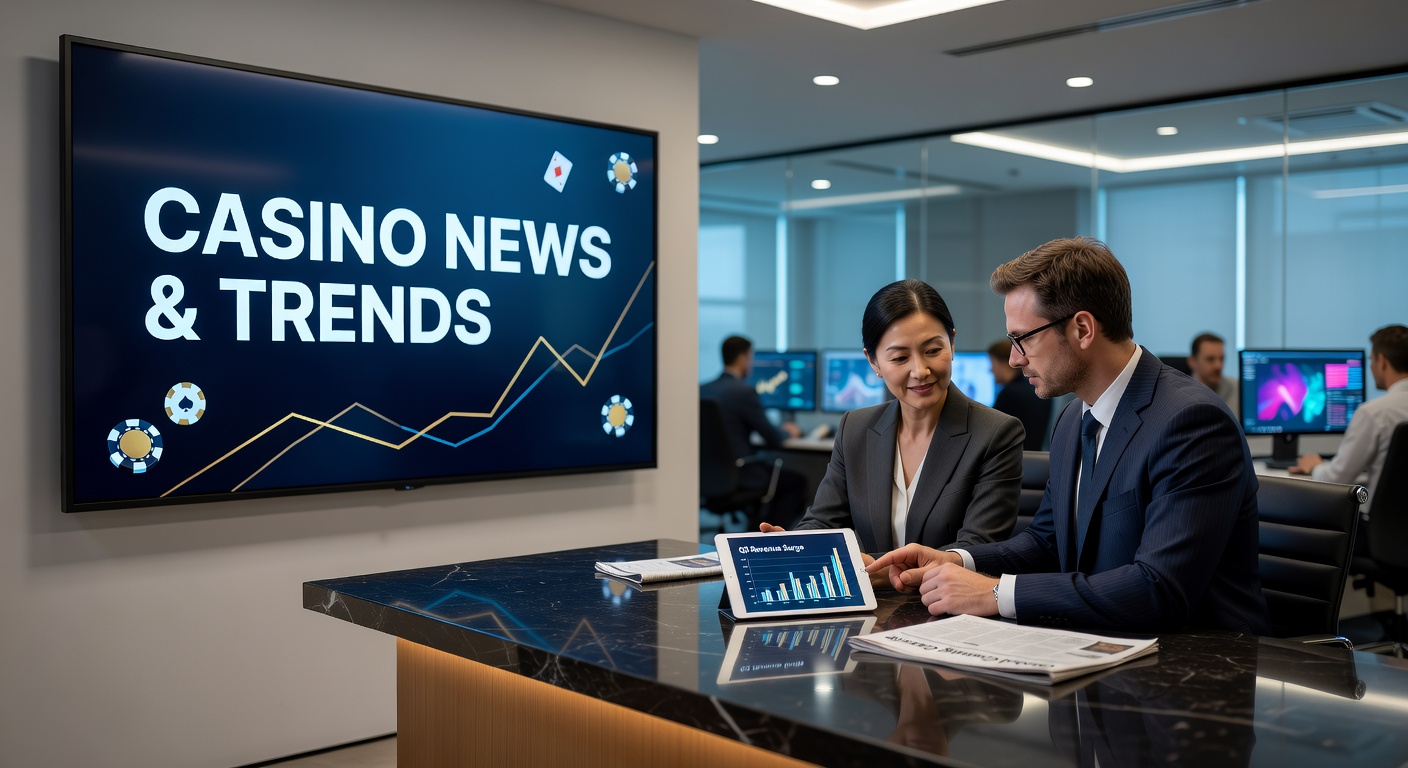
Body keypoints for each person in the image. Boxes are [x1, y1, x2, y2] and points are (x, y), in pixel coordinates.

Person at [869, 237, 1269, 634]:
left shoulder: (1192, 422)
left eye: (1022, 338)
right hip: (1101, 650)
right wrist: (956, 561)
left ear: (1081, 329)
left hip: (1196, 671)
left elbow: (1159, 589)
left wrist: (995, 593)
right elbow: (1047, 541)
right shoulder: (1075, 416)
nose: (1014, 358)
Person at [761, 279, 1025, 559]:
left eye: (933, 351)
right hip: (873, 599)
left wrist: (882, 570)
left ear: (952, 343)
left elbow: (976, 547)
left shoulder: (996, 433)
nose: (920, 370)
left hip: (944, 600)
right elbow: (823, 521)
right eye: (900, 358)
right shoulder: (856, 428)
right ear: (873, 362)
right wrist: (796, 546)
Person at [1290, 324, 1408, 510]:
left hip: (1375, 529)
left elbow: (1335, 480)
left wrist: (1315, 466)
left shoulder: (1374, 413)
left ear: (1382, 362)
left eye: (1371, 360)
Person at [700, 336, 808, 526]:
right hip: (741, 473)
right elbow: (773, 438)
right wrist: (789, 431)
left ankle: (757, 531)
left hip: (707, 476)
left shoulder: (703, 390)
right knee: (797, 483)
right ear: (743, 358)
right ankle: (765, 537)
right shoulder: (743, 392)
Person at [988, 339, 1050, 451]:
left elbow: (991, 434)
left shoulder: (1009, 395)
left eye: (992, 363)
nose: (991, 369)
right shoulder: (1036, 390)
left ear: (1003, 363)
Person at [1188, 332, 1239, 418]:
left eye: (1221, 359)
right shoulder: (1180, 394)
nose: (1218, 366)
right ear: (1192, 362)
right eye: (1210, 359)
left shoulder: (1237, 387)